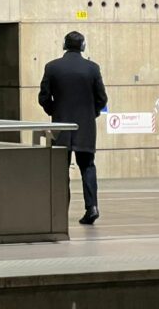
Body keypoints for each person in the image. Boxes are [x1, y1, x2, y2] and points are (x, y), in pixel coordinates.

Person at [38, 30, 108, 225]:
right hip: (85, 127)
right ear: (83, 46)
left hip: (61, 126)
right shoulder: (92, 68)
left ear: (64, 45)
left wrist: (54, 111)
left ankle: (61, 210)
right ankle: (92, 207)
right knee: (88, 166)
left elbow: (43, 97)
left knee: (61, 169)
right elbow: (102, 98)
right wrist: (91, 113)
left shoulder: (52, 67)